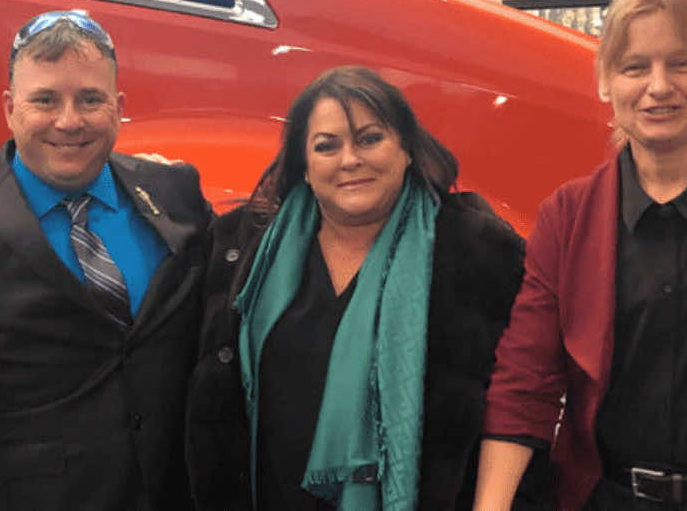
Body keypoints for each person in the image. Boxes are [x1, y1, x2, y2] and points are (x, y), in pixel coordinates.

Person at [0, 10, 214, 510]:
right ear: (10, 108)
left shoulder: (175, 191)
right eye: (45, 100)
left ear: (119, 107)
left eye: (90, 99)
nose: (69, 121)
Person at [185, 66, 552, 511]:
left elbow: (525, 396)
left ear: (407, 149)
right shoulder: (242, 247)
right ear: (304, 165)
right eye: (326, 146)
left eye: (369, 138)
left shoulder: (477, 250)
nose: (349, 160)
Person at [474, 0, 687, 510]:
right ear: (606, 82)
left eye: (681, 63)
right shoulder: (567, 216)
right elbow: (525, 382)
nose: (659, 86)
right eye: (636, 67)